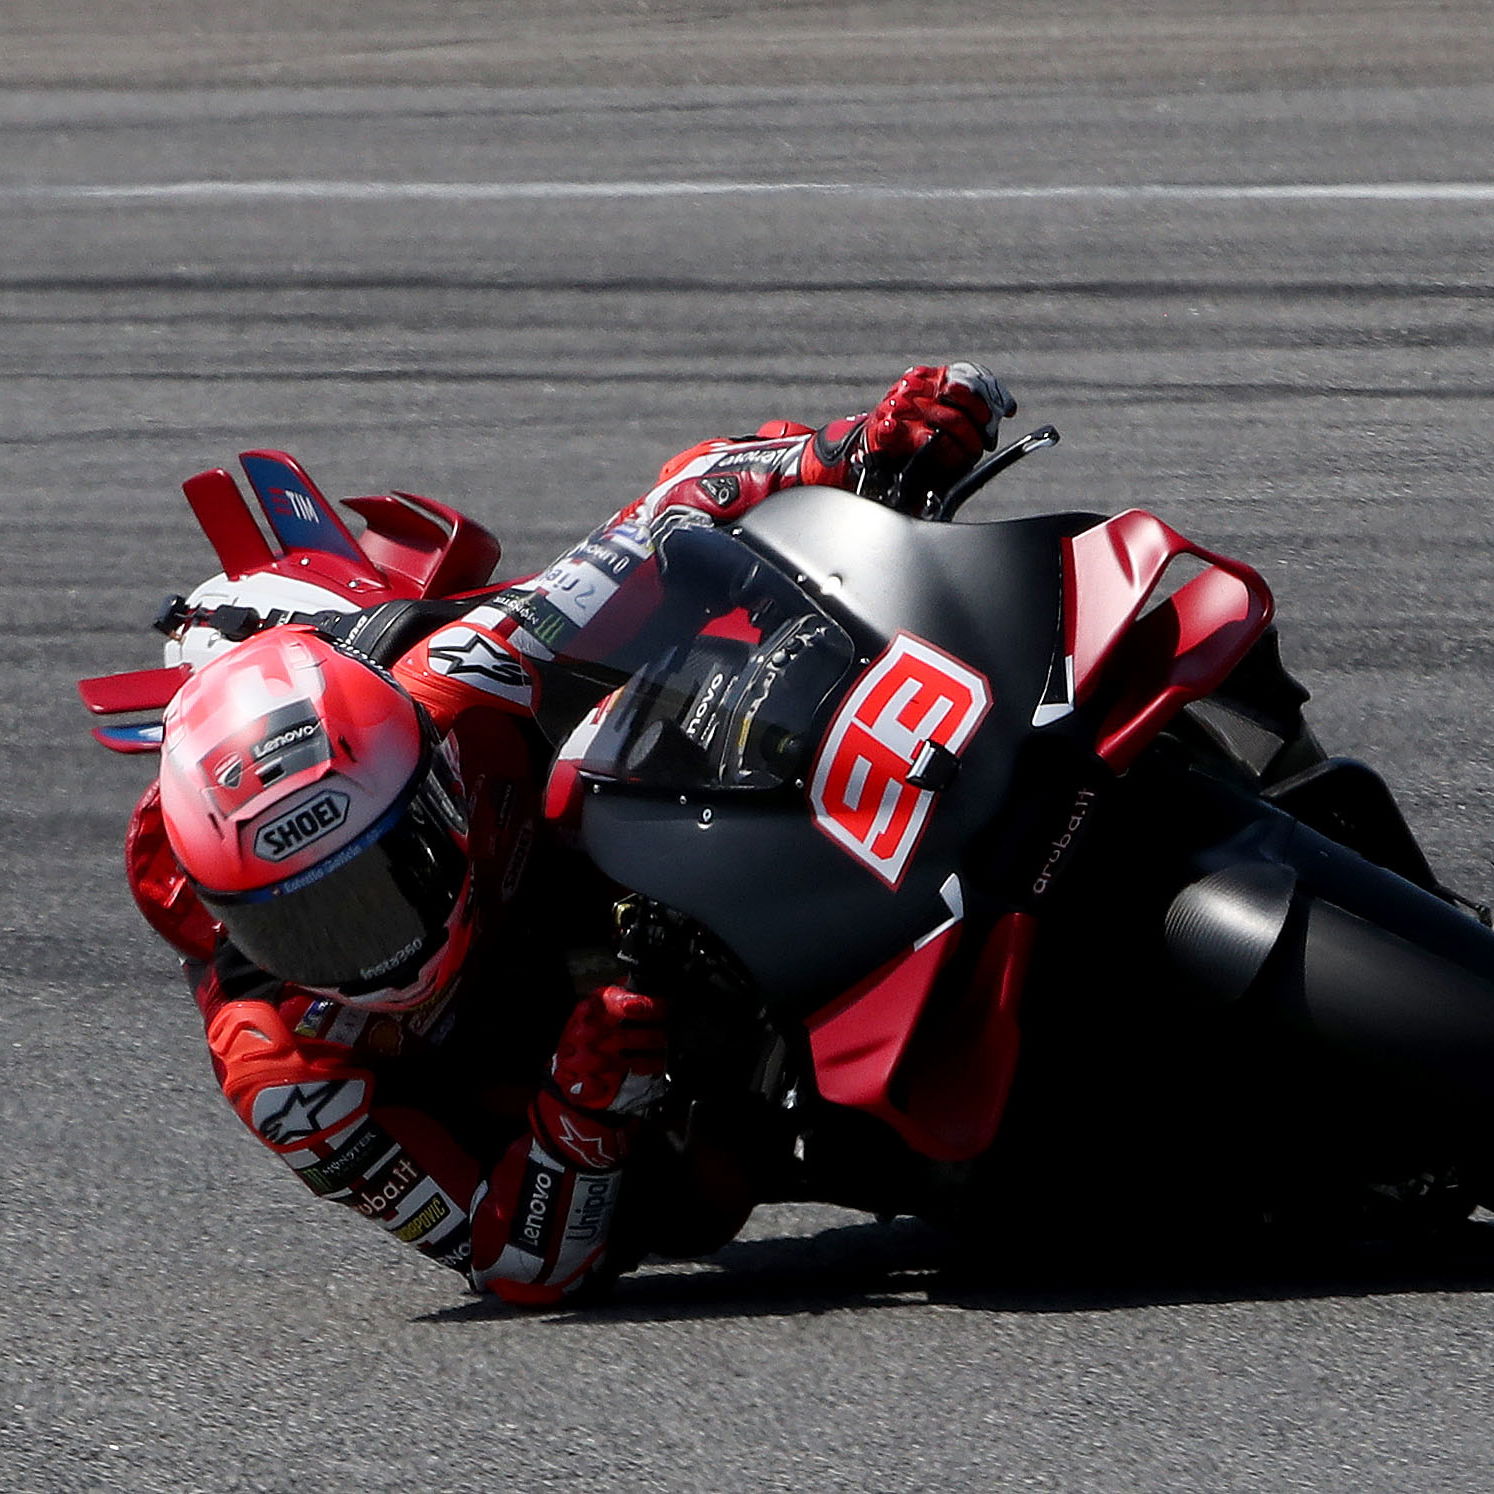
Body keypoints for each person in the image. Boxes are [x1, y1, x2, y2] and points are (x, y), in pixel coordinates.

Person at [124, 363, 1018, 1304]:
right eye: (302, 925)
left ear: (424, 781)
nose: (367, 952)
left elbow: (661, 523)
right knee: (702, 1195)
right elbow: (505, 1261)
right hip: (615, 1092)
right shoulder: (278, 1068)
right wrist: (577, 1122)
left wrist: (858, 446)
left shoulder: (459, 672)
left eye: (379, 883)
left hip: (671, 858)